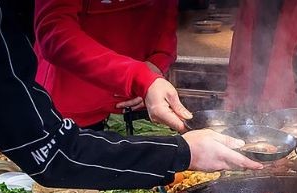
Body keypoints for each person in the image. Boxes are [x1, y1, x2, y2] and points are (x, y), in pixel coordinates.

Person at [0, 0, 261, 192]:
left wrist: (151, 70)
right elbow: (58, 154)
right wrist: (186, 152)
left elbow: (162, 22)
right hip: (68, 117)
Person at [33, 0, 191, 132]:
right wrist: (139, 78)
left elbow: (165, 15)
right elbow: (55, 33)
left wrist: (157, 63)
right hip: (72, 113)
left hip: (141, 105)